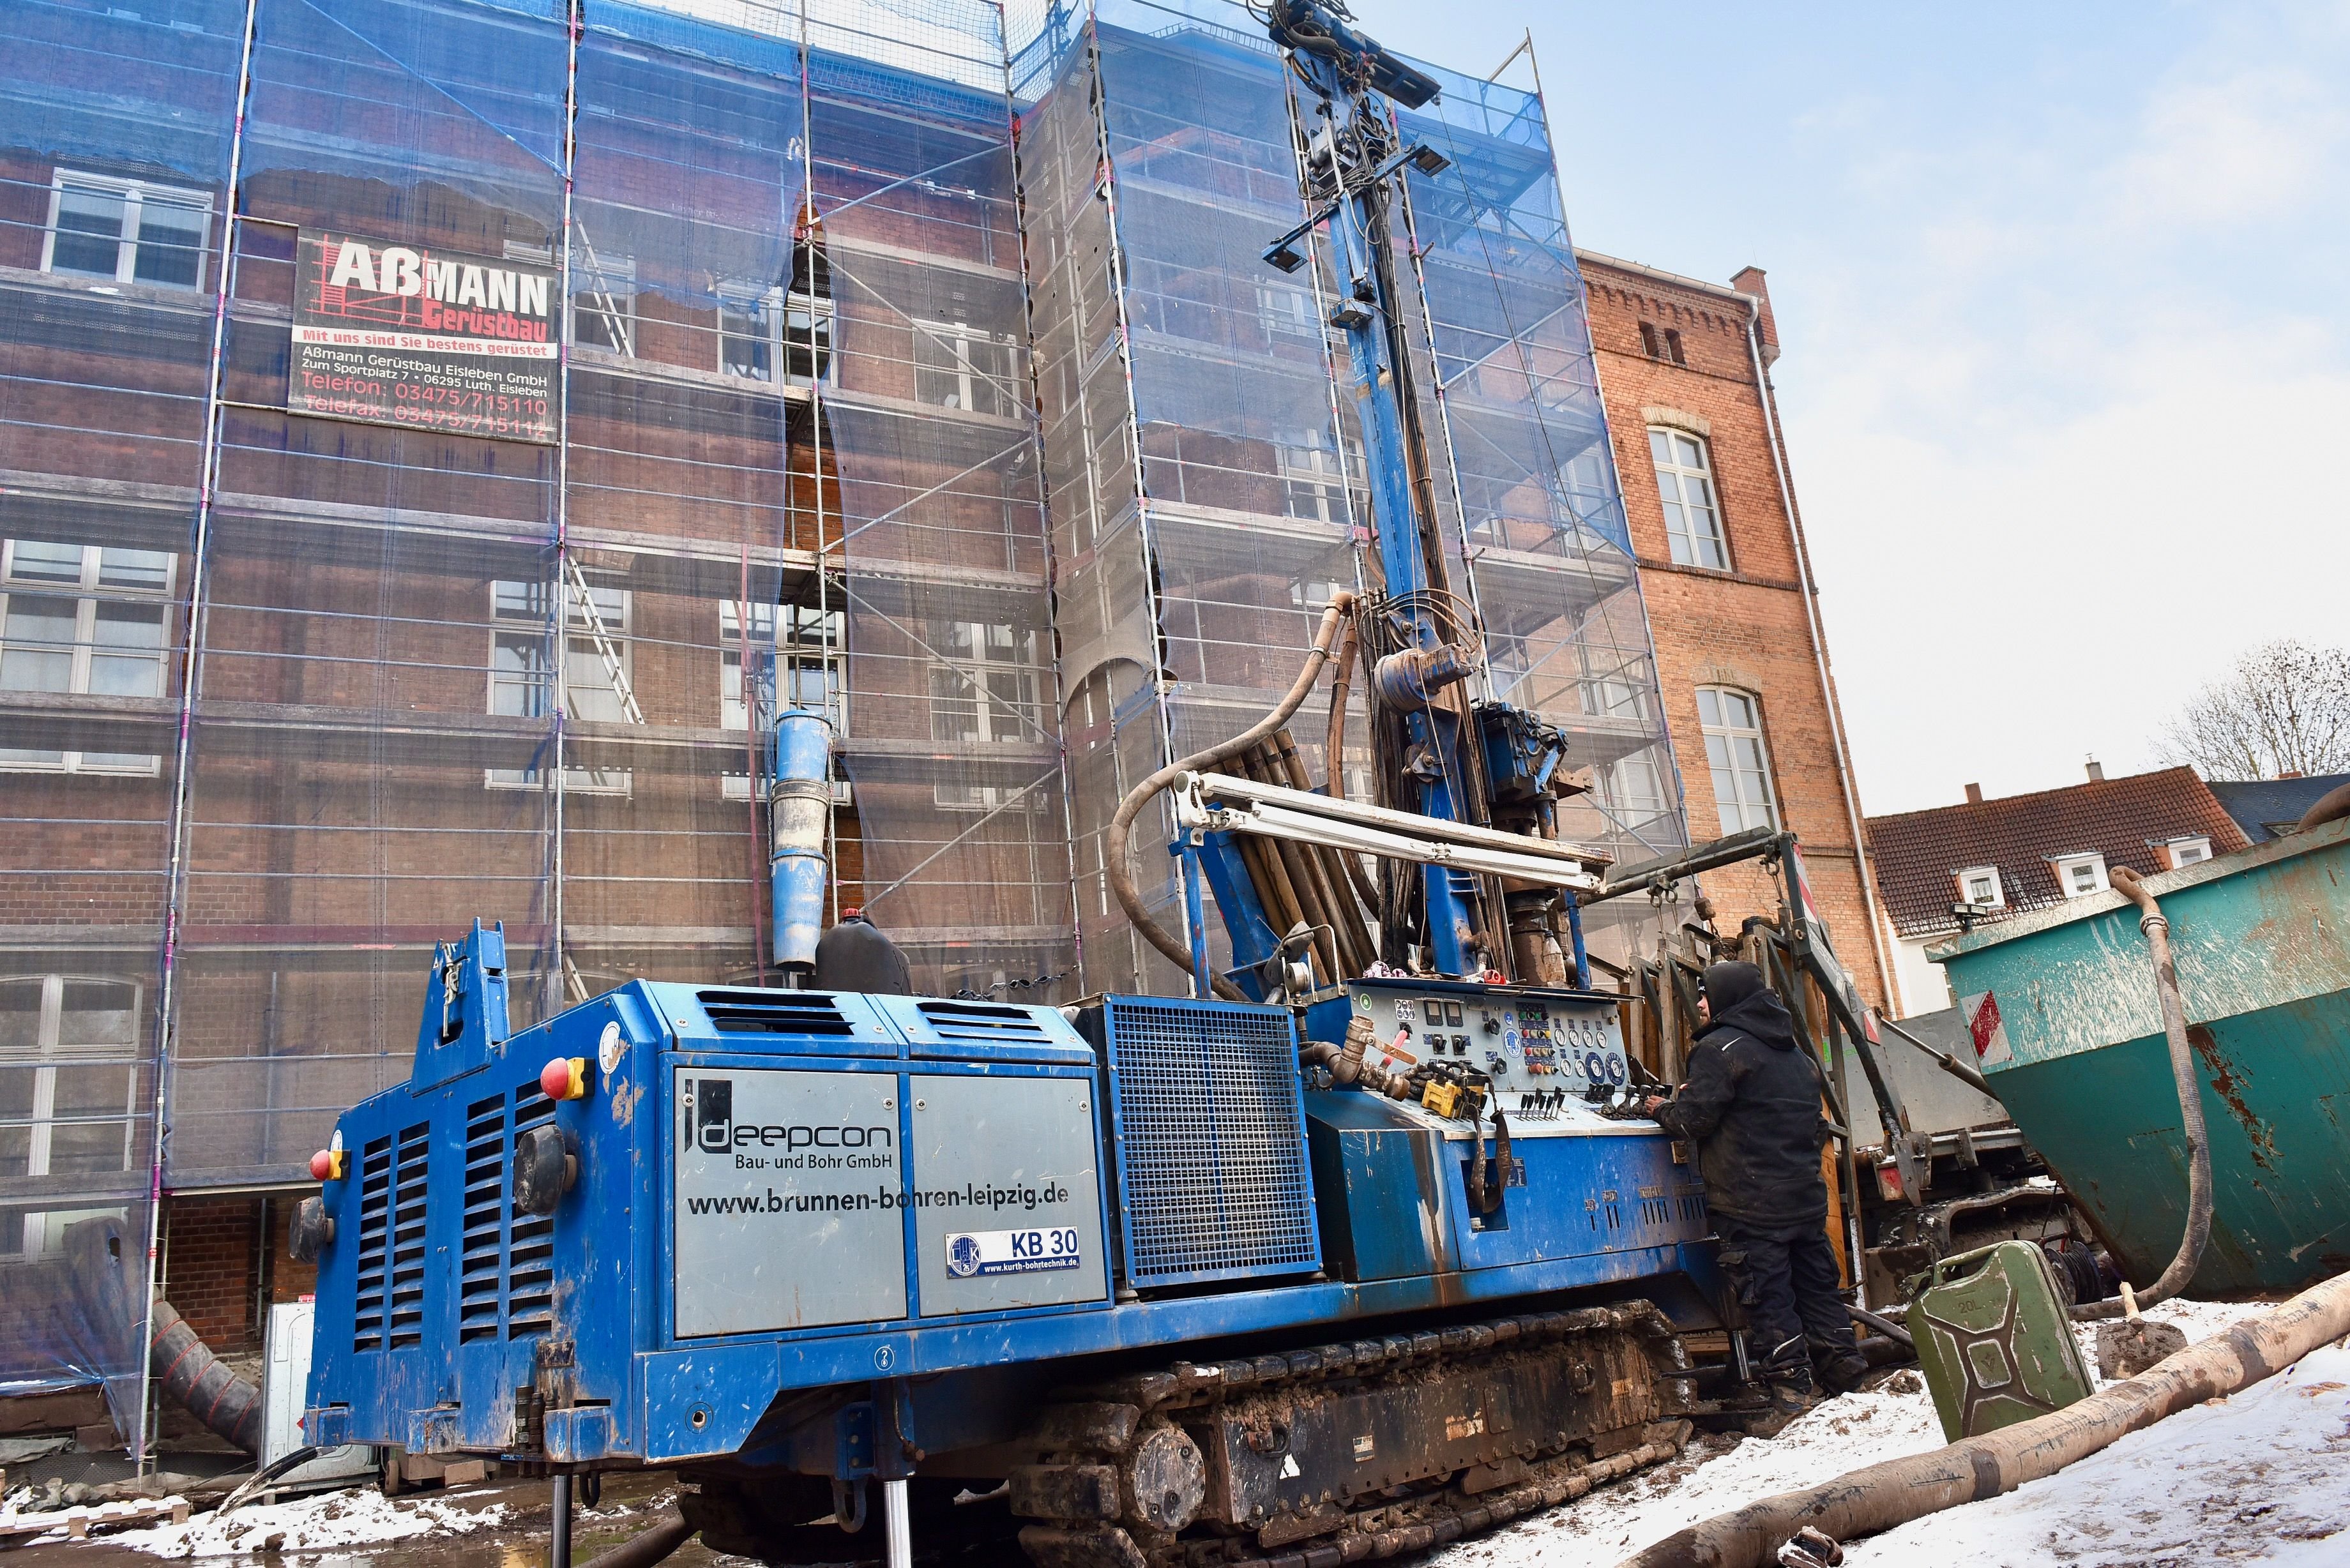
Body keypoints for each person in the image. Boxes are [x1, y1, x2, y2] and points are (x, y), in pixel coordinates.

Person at [1643, 960, 1867, 1433]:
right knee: (1817, 1291)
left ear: (1727, 997)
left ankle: (1791, 1397)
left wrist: (1664, 1107)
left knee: (1769, 1298)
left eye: (1705, 994)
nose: (1700, 1003)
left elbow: (1694, 1121)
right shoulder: (1796, 1057)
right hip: (1805, 1200)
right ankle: (1847, 1380)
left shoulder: (1717, 1050)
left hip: (1751, 1206)